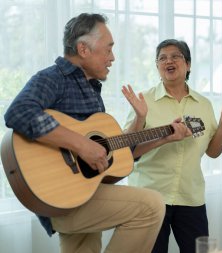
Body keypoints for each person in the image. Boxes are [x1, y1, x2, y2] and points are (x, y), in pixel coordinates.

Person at [3, 13, 190, 253]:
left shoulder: (90, 90)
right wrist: (81, 145)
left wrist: (163, 136)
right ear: (83, 49)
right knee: (151, 206)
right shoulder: (54, 77)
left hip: (83, 189)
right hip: (58, 197)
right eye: (108, 49)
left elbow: (117, 154)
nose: (112, 58)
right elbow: (18, 113)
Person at [121, 39, 222, 253]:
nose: (168, 61)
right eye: (162, 58)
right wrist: (162, 136)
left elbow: (213, 152)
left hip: (190, 197)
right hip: (150, 197)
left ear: (188, 64)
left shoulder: (203, 104)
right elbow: (128, 151)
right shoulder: (143, 101)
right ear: (157, 66)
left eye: (175, 56)